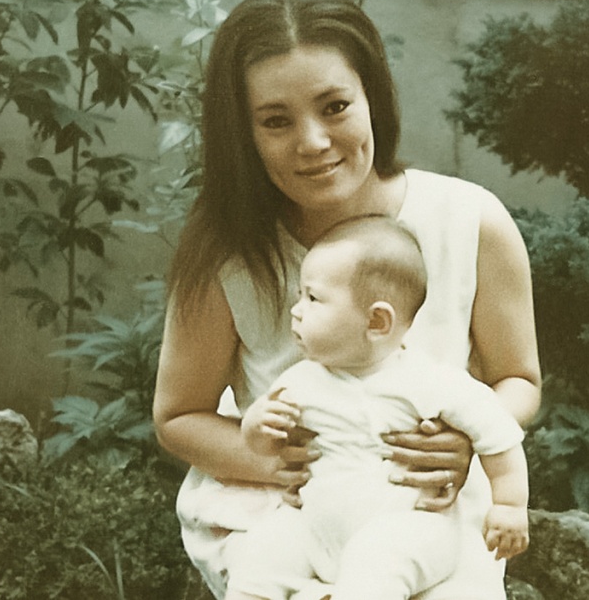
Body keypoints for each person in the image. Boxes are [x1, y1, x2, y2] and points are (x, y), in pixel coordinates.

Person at [153, 0, 541, 600]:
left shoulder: (470, 220)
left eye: (334, 106)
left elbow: (519, 378)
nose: (311, 141)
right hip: (285, 508)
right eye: (276, 121)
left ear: (373, 100)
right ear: (242, 132)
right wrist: (275, 461)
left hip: (423, 507)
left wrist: (467, 438)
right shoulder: (230, 249)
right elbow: (178, 415)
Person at [224, 215, 530, 599]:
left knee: (376, 563)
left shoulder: (431, 383)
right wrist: (257, 426)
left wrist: (509, 504)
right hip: (313, 525)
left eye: (313, 298)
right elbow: (265, 448)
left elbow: (497, 433)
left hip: (411, 526)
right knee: (259, 557)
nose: (296, 310)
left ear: (377, 321)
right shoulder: (300, 381)